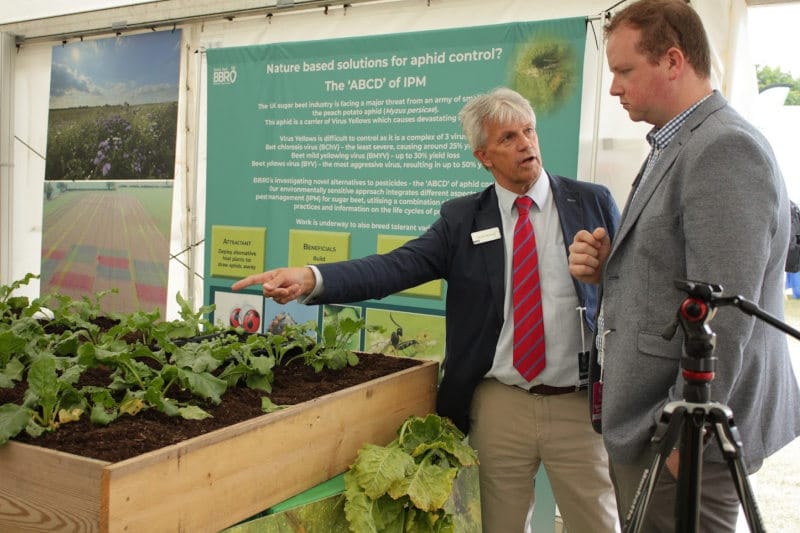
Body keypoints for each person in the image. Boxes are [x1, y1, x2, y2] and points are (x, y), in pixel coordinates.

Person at [233, 87, 621, 532]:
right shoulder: (463, 220)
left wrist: (607, 269)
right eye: (508, 138)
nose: (526, 145)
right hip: (500, 404)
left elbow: (636, 284)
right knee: (499, 524)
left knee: (597, 523)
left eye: (529, 131)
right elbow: (396, 266)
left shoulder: (592, 203)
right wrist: (311, 277)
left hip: (576, 401)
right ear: (483, 156)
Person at [567, 1, 800, 531]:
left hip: (680, 432)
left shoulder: (723, 149)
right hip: (656, 421)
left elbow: (726, 311)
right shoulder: (678, 140)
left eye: (625, 71)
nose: (614, 89)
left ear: (673, 61)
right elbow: (681, 271)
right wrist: (612, 268)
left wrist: (686, 438)